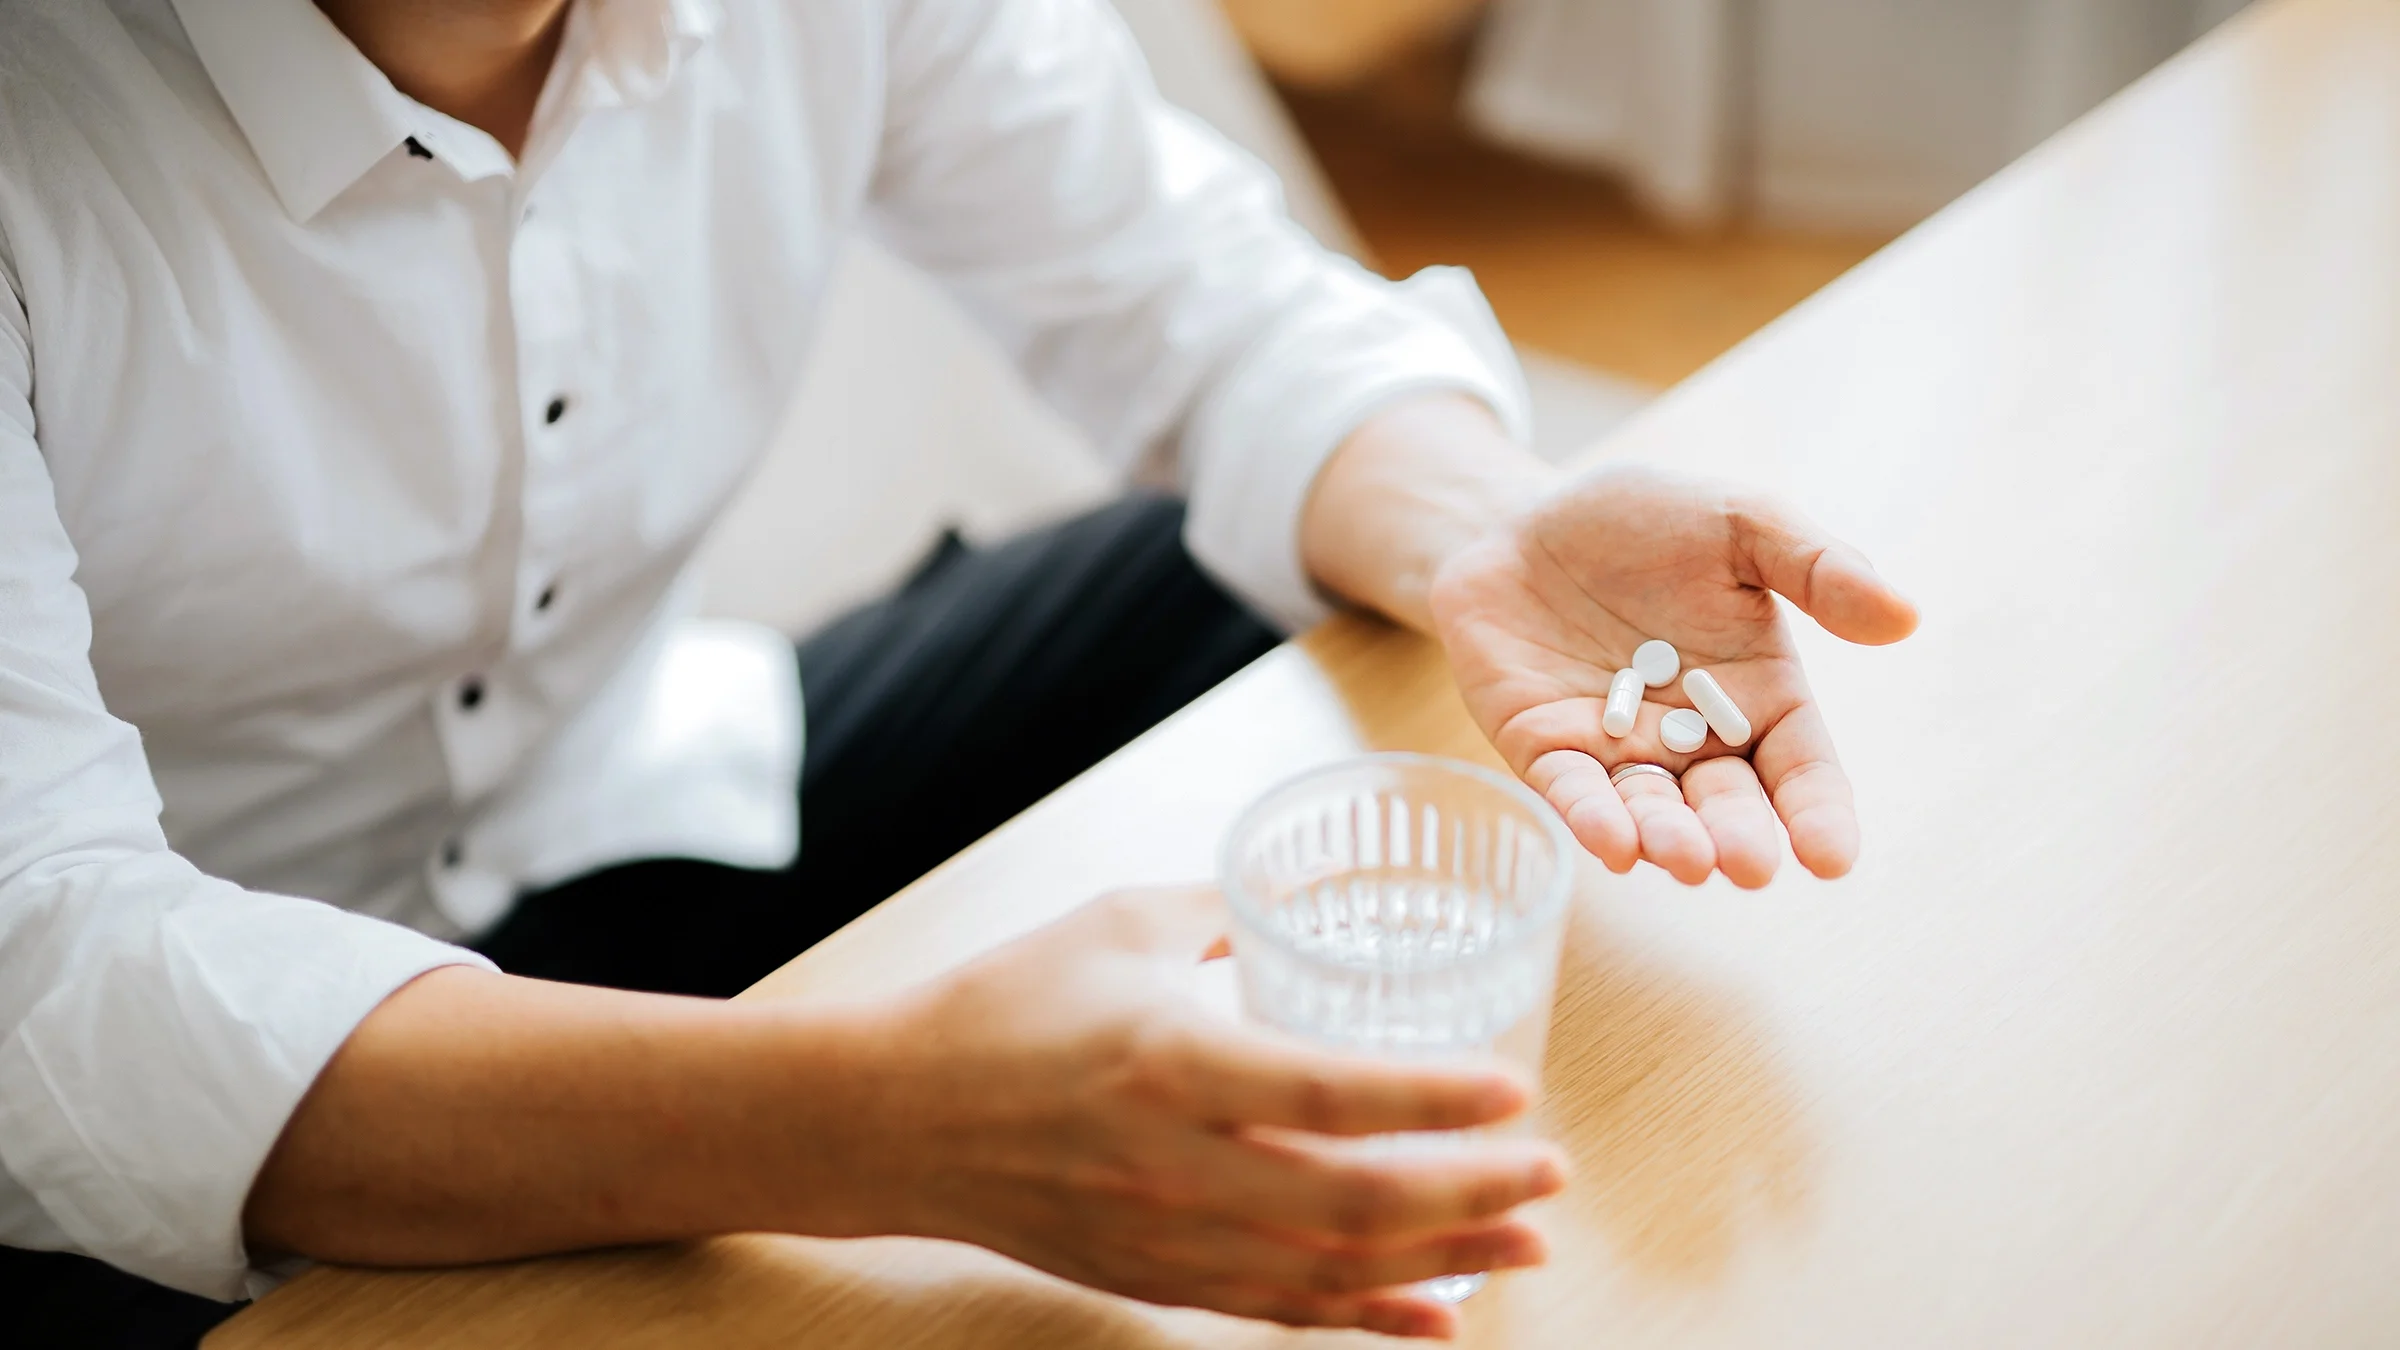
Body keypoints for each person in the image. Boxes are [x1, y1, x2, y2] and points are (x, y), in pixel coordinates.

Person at [0, 0, 1919, 1343]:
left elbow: (1201, 301)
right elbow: (44, 962)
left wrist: (1483, 527)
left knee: (1262, 571)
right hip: (161, 1047)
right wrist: (871, 1124)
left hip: (613, 793)